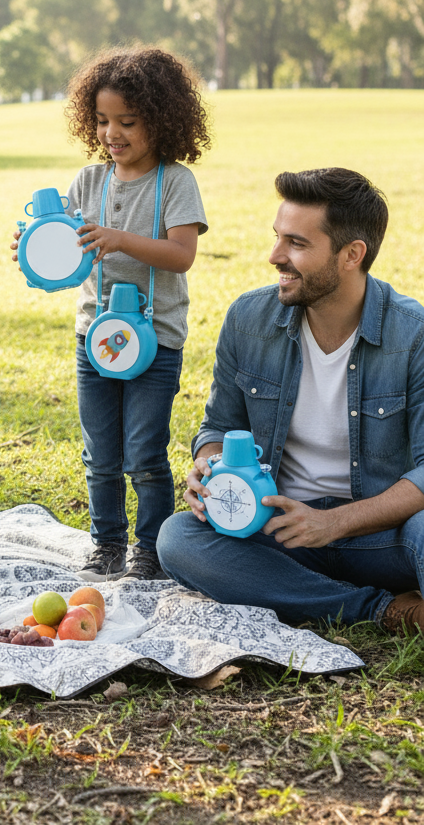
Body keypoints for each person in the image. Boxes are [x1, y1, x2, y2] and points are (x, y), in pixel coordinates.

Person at [157, 168, 424, 634]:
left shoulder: (414, 333)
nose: (275, 256)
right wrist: (209, 468)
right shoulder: (248, 318)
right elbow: (218, 425)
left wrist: (335, 522)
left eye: (296, 244)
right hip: (280, 529)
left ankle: (298, 591)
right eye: (277, 237)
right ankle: (380, 610)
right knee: (179, 537)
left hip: (385, 536)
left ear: (351, 255)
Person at [14, 47, 210, 581]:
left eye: (127, 121)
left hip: (156, 340)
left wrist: (121, 239)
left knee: (144, 453)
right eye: (102, 121)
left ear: (162, 120)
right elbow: (73, 257)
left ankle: (148, 548)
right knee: (100, 454)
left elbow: (181, 254)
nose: (111, 132)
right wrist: (40, 247)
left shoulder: (175, 182)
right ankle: (106, 544)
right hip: (93, 338)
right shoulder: (89, 182)